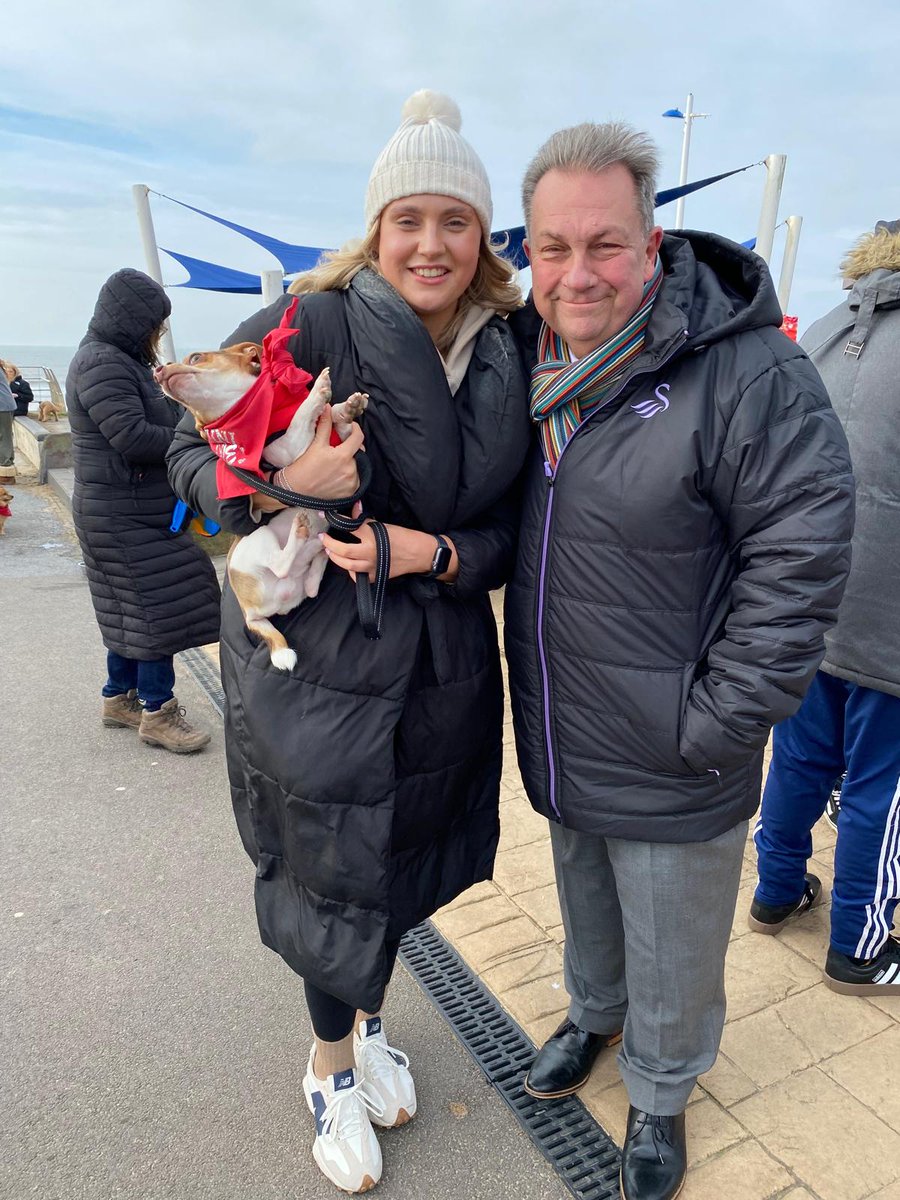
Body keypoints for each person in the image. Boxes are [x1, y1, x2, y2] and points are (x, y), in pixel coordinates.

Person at [167, 90, 529, 1195]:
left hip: (443, 671)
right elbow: (183, 464)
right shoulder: (312, 320)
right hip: (317, 671)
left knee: (401, 869)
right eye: (408, 219)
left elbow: (511, 527)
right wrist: (285, 481)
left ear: (483, 240)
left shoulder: (512, 346)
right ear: (376, 228)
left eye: (454, 221)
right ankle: (330, 1065)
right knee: (332, 877)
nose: (429, 244)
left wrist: (436, 555)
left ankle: (368, 1029)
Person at [502, 122, 854, 1200]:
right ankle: (595, 1017)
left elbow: (802, 549)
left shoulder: (745, 369)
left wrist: (724, 716)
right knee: (589, 902)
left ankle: (662, 1088)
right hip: (565, 720)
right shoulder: (528, 358)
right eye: (553, 248)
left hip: (677, 733)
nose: (576, 273)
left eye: (604, 245)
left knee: (676, 934)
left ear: (652, 245)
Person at [749, 219, 900, 996]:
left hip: (810, 597)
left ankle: (775, 893)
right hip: (890, 618)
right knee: (882, 783)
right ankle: (860, 947)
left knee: (801, 758)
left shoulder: (837, 322)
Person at [66, 268, 220, 753]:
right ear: (135, 319)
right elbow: (131, 437)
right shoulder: (103, 364)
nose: (160, 333)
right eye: (156, 322)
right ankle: (158, 711)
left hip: (122, 507)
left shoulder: (114, 359)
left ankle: (119, 697)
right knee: (158, 607)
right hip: (122, 510)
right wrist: (197, 441)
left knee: (129, 606)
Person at [0, 364, 16, 480]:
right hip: (5, 405)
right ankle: (7, 461)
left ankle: (6, 466)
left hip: (3, 406)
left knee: (4, 436)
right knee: (5, 435)